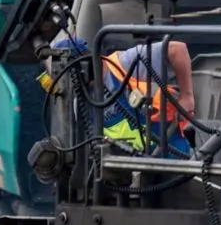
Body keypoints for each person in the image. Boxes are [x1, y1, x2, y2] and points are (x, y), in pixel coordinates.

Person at [58, 38, 194, 156]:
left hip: (174, 158)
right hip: (128, 172)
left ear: (82, 65)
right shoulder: (81, 105)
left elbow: (177, 49)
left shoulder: (125, 63)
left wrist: (187, 96)